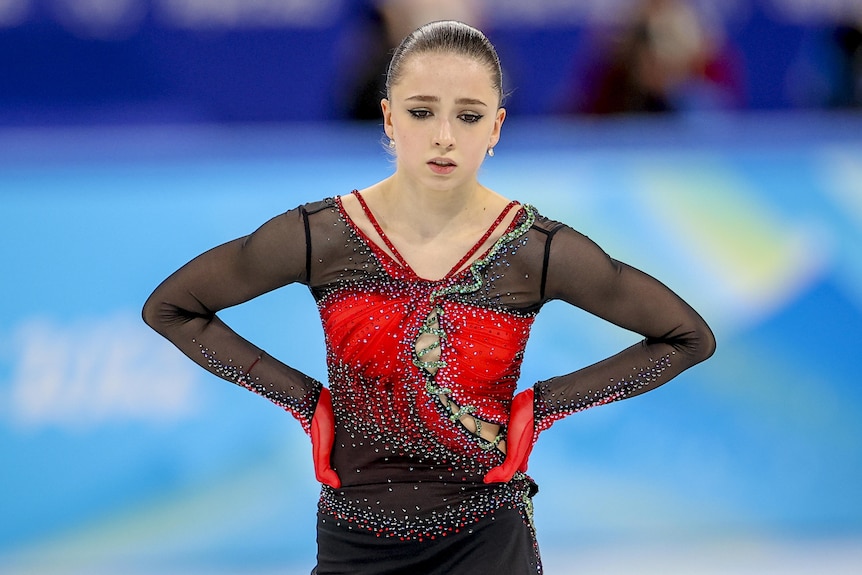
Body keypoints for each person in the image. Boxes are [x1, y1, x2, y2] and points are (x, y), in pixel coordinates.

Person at [142, 20, 716, 575]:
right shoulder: (321, 236)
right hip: (356, 542)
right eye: (422, 112)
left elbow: (688, 337)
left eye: (469, 117)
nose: (445, 136)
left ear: (496, 128)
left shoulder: (535, 249)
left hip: (488, 541)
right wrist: (305, 402)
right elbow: (171, 307)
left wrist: (540, 407)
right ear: (389, 118)